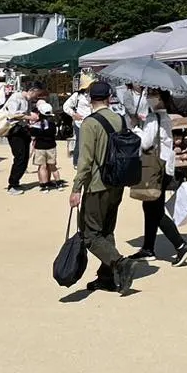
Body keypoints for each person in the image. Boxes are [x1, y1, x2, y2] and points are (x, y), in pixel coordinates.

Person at [69, 81, 136, 295]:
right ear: (109, 97)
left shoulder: (90, 123)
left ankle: (119, 263)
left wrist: (76, 188)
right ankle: (106, 277)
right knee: (107, 230)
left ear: (89, 99)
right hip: (116, 182)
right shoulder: (119, 119)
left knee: (90, 234)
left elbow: (86, 160)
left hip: (96, 185)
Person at [130, 89, 187, 265]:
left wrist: (135, 128)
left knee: (155, 210)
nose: (149, 97)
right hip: (164, 167)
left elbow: (145, 143)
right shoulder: (164, 117)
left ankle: (181, 245)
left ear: (159, 98)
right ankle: (148, 247)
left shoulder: (153, 118)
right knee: (150, 207)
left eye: (152, 94)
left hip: (154, 168)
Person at [3, 83, 45, 194]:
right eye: (37, 94)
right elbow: (12, 114)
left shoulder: (27, 100)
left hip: (23, 130)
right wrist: (29, 117)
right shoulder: (16, 97)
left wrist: (32, 117)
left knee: (25, 157)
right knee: (20, 157)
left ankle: (16, 182)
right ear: (32, 90)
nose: (37, 97)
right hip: (14, 130)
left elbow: (25, 114)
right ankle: (12, 184)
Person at [29, 101, 62, 191]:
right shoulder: (52, 124)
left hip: (40, 147)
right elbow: (54, 133)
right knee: (52, 166)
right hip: (51, 147)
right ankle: (58, 183)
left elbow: (31, 133)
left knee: (42, 166)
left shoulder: (36, 125)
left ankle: (44, 185)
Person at [63, 74, 93, 166]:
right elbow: (66, 106)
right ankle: (76, 162)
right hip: (80, 122)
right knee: (80, 142)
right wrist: (73, 114)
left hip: (92, 122)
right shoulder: (77, 95)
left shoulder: (93, 95)